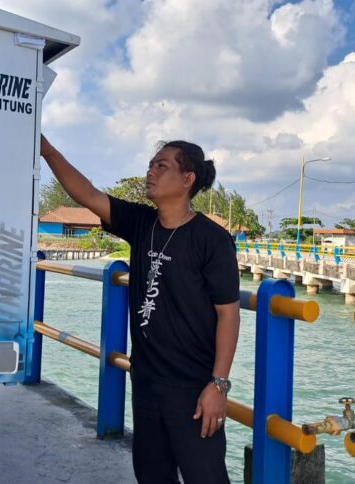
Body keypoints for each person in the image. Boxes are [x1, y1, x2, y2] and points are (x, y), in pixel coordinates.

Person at [40, 135, 240, 483]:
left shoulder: (212, 239)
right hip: (146, 380)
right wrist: (47, 150)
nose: (151, 172)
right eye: (151, 165)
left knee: (204, 475)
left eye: (161, 166)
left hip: (192, 387)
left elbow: (228, 313)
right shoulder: (142, 223)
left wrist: (218, 386)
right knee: (151, 474)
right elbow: (86, 193)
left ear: (188, 178)